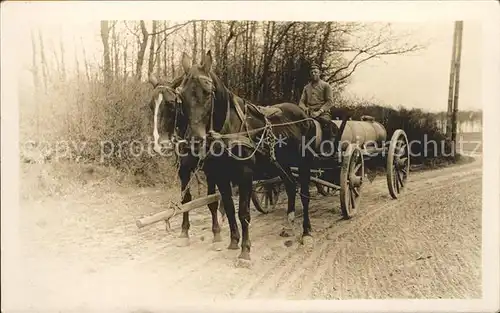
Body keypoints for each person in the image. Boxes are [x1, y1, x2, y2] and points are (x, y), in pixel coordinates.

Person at [298, 63, 336, 140]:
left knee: (326, 125)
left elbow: (330, 102)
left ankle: (327, 146)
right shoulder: (306, 87)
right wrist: (305, 108)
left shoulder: (326, 86)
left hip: (323, 113)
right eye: (311, 72)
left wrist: (319, 112)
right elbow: (301, 102)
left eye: (315, 72)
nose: (313, 74)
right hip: (309, 113)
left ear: (319, 73)